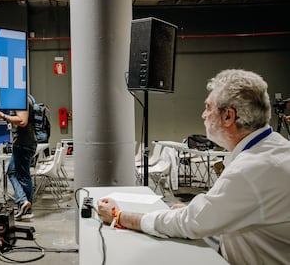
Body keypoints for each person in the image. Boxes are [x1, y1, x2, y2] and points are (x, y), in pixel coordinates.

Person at [98, 69, 290, 265]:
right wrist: (199, 213)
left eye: (208, 107)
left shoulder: (251, 170)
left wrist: (120, 216)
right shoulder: (273, 149)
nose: (203, 115)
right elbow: (234, 212)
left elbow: (189, 224)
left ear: (228, 117)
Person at [0, 104, 37, 221]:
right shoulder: (23, 99)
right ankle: (23, 203)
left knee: (23, 176)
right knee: (12, 172)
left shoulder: (21, 99)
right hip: (24, 143)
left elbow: (22, 121)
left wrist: (4, 116)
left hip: (24, 143)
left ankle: (25, 205)